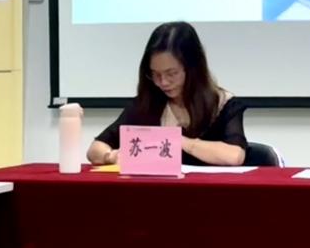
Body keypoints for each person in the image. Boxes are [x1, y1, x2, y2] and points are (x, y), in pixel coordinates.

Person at [87, 21, 247, 167]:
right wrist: (111, 156)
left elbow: (234, 156)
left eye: (172, 73)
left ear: (192, 69)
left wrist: (178, 141)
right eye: (155, 74)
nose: (163, 82)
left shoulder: (223, 104)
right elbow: (95, 149)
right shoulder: (146, 104)